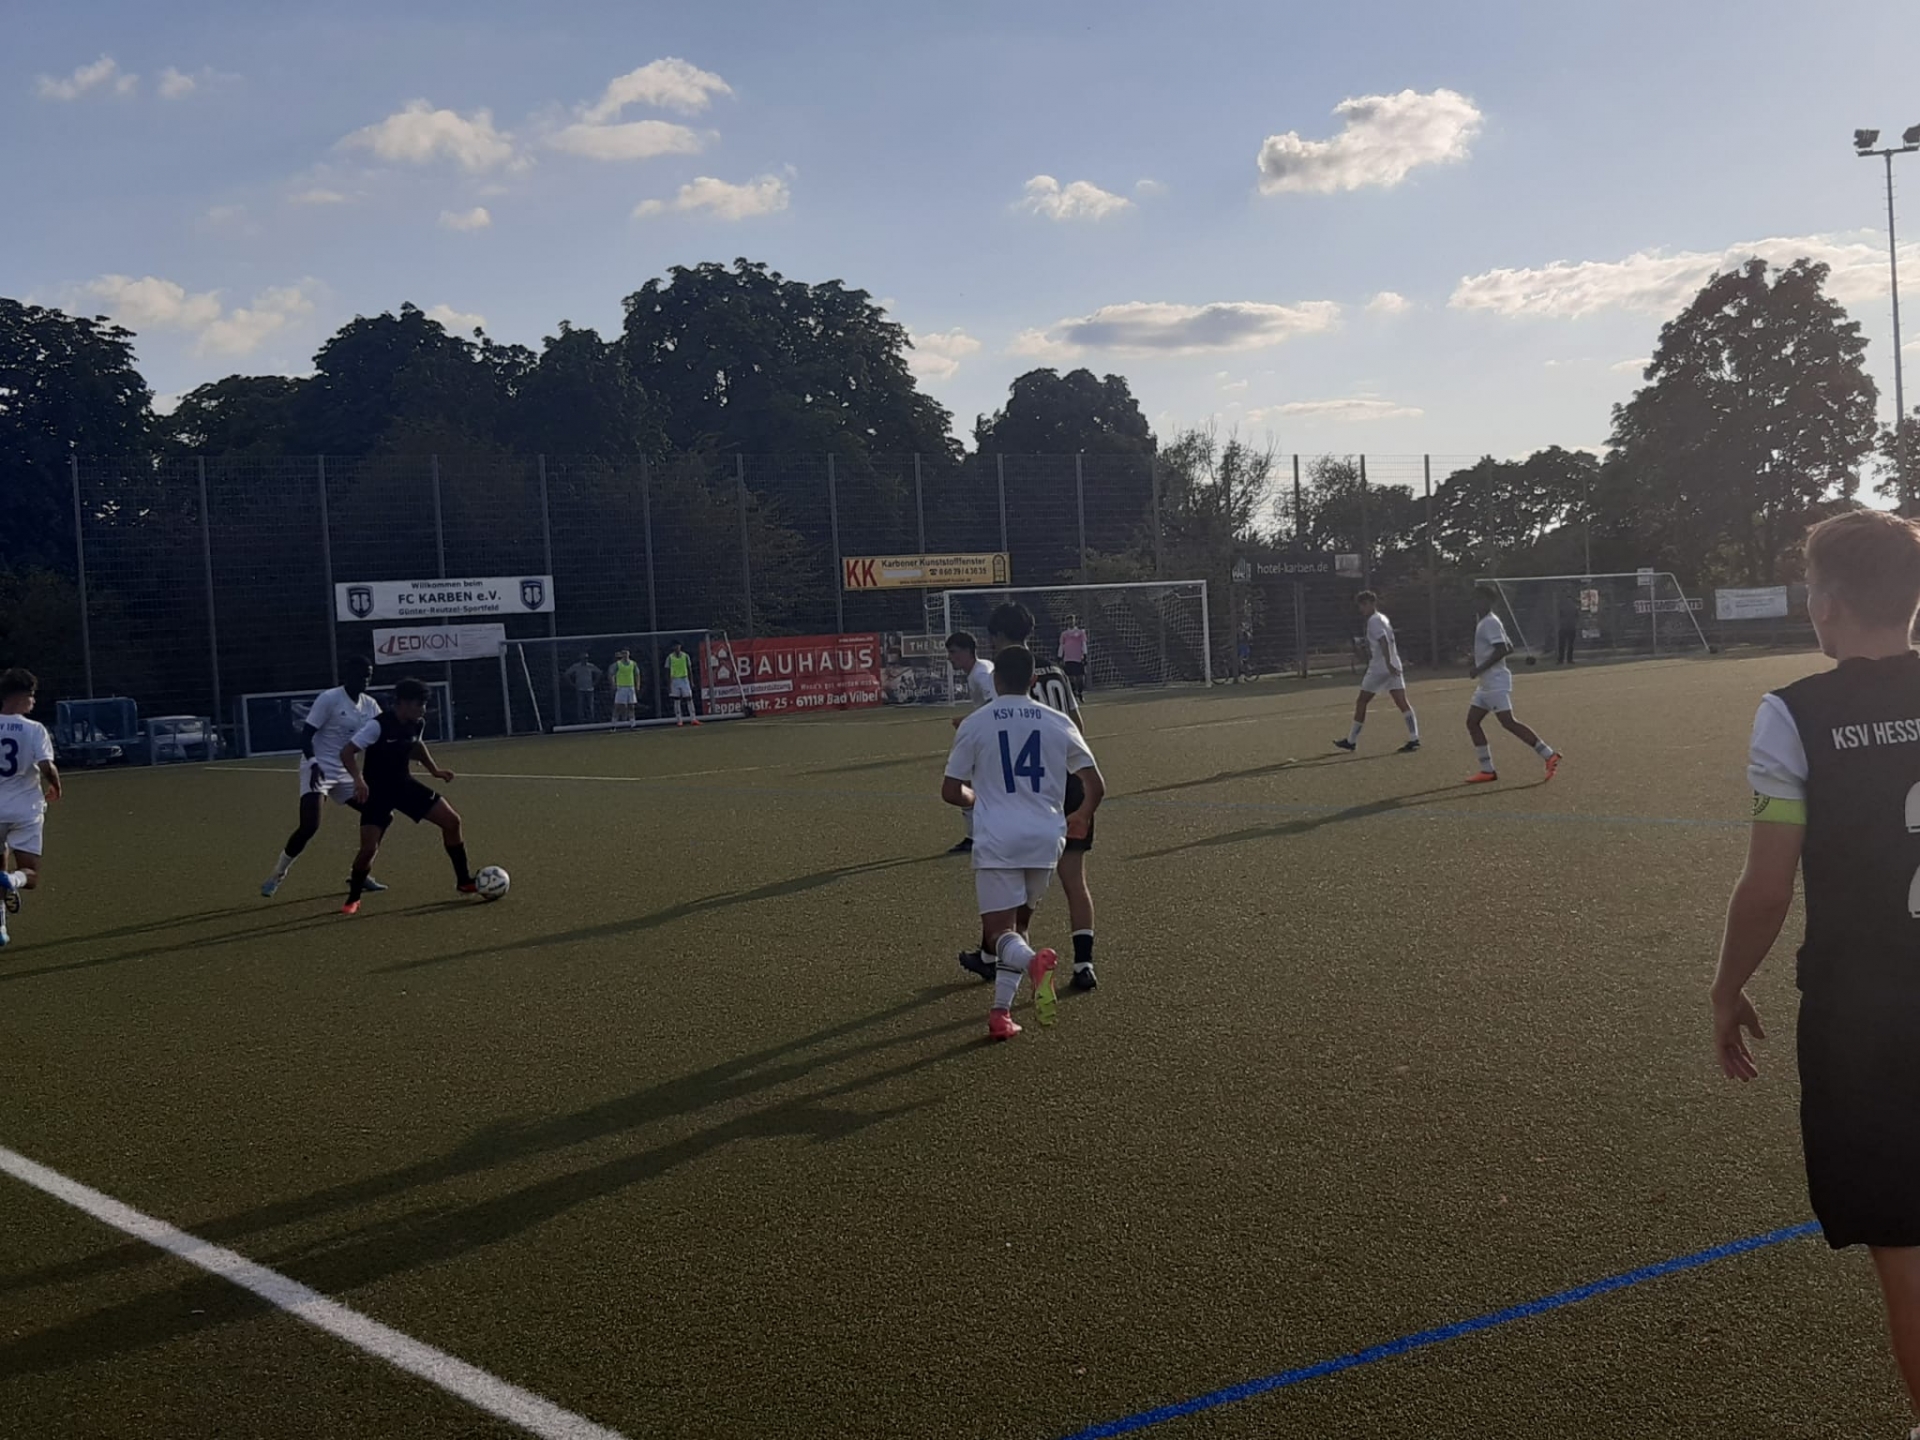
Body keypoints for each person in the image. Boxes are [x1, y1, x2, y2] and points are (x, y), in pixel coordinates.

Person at [1712, 510, 1920, 1440]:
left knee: (1905, 1242)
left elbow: (1767, 887)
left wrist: (1726, 988)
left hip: (1863, 1017)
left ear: (1826, 604)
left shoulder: (1793, 712)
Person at [942, 645, 1104, 1040]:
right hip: (1046, 839)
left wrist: (974, 799)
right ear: (1032, 680)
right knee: (1019, 925)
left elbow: (951, 790)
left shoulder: (976, 723)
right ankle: (1001, 1013)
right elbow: (1095, 784)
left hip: (999, 838)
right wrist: (1082, 815)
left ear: (995, 680)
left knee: (999, 935)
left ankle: (1034, 964)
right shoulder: (1057, 721)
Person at [337, 677, 474, 916]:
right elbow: (347, 752)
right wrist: (358, 780)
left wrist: (434, 770)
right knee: (368, 850)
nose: (423, 709)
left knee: (452, 821)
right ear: (402, 703)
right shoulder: (377, 726)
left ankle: (464, 881)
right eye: (419, 704)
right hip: (377, 793)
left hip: (404, 786)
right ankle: (354, 897)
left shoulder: (416, 723)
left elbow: (416, 746)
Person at [261, 657, 387, 898]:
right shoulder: (329, 699)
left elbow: (382, 733)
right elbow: (306, 735)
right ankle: (277, 874)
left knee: (380, 813)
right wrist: (313, 763)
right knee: (310, 825)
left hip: (345, 771)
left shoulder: (370, 705)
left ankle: (361, 873)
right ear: (347, 676)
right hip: (318, 766)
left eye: (369, 676)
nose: (365, 680)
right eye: (361, 675)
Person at [1464, 585, 1561, 784]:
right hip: (1486, 684)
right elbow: (1508, 647)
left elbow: (1502, 650)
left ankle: (1549, 754)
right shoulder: (1486, 622)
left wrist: (1479, 667)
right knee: (1472, 722)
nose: (1475, 602)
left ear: (1488, 601)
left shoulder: (1490, 622)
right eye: (1474, 598)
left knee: (1508, 722)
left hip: (1495, 682)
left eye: (1479, 598)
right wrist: (1476, 659)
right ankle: (1487, 770)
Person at [0, 669, 61, 949]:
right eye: (32, 696)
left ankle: (1, 926)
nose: (34, 702)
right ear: (23, 696)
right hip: (25, 810)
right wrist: (56, 786)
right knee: (30, 875)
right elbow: (46, 765)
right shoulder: (34, 729)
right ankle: (14, 880)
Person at [1334, 590, 1420, 754]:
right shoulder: (1383, 618)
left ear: (1371, 603)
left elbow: (1383, 641)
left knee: (1362, 701)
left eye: (1363, 605)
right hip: (1394, 664)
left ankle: (1351, 740)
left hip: (1380, 668)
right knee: (1402, 701)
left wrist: (1387, 663)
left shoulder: (1373, 620)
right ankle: (1414, 737)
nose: (1361, 609)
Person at [945, 631, 996, 854]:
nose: (950, 658)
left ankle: (976, 836)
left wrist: (968, 721)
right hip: (988, 735)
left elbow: (995, 702)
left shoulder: (981, 674)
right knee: (970, 782)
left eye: (953, 652)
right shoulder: (981, 668)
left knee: (963, 782)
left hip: (990, 737)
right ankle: (977, 834)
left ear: (968, 651)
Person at [665, 642, 701, 727]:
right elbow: (667, 671)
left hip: (684, 679)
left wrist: (691, 681)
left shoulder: (685, 656)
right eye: (675, 646)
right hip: (674, 679)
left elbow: (689, 669)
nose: (677, 648)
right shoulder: (670, 657)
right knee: (677, 700)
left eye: (678, 646)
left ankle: (693, 719)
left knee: (689, 698)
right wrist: (669, 684)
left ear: (680, 646)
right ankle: (679, 720)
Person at [564, 653, 603, 725]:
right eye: (584, 658)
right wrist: (572, 684)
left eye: (586, 658)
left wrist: (595, 682)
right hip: (580, 689)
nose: (585, 660)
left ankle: (591, 720)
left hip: (590, 689)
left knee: (590, 705)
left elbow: (599, 672)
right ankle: (581, 720)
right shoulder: (576, 666)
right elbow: (566, 674)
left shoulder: (591, 666)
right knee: (580, 705)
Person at [1059, 616, 1090, 700]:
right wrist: (1060, 657)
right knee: (1070, 677)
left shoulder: (1080, 633)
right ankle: (1073, 693)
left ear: (1075, 621)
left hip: (1078, 658)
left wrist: (1085, 655)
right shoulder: (1064, 634)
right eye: (1069, 621)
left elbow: (1083, 644)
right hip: (1068, 658)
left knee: (1080, 678)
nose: (1071, 622)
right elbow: (1061, 646)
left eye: (1072, 620)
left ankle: (1080, 692)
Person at [609, 649, 640, 726]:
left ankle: (633, 724)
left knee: (631, 706)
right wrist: (613, 684)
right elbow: (612, 674)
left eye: (626, 653)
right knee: (618, 706)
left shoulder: (633, 663)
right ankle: (613, 725)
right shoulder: (617, 664)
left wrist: (637, 685)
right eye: (624, 654)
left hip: (630, 687)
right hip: (621, 687)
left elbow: (637, 674)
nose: (625, 655)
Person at [1555, 587, 1580, 665]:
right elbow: (1577, 616)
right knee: (1570, 645)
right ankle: (1569, 659)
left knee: (1562, 645)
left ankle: (1561, 660)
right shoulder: (1574, 606)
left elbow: (1559, 615)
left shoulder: (1562, 605)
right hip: (1571, 627)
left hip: (1564, 627)